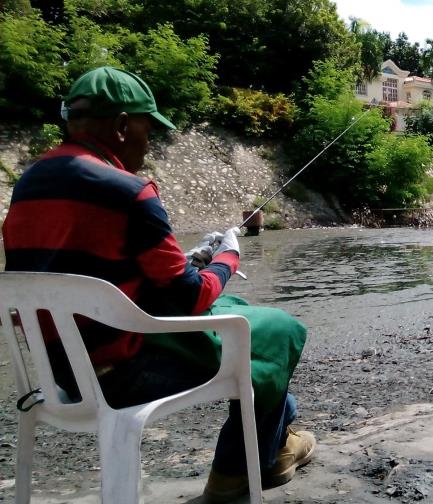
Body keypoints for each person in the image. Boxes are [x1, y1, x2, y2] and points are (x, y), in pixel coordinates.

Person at [1, 66, 314, 503]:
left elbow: (83, 276)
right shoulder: (129, 190)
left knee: (244, 317)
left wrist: (188, 261)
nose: (151, 142)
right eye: (149, 128)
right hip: (125, 373)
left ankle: (279, 437)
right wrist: (227, 254)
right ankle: (237, 472)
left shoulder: (29, 185)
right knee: (279, 331)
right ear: (124, 125)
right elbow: (190, 296)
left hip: (59, 372)